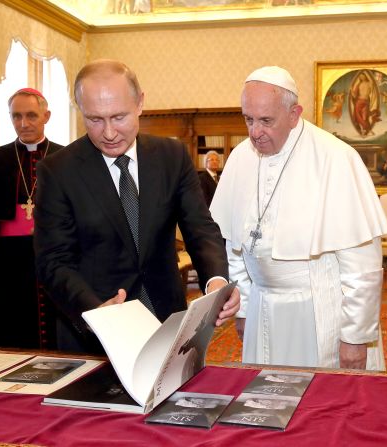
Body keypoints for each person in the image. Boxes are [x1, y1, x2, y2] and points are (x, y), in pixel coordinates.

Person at [33, 59, 239, 354]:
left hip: (166, 321)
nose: (108, 132)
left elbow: (200, 227)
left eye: (118, 117)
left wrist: (216, 280)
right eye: (94, 119)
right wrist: (94, 311)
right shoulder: (58, 170)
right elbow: (52, 259)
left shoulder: (172, 156)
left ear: (140, 103)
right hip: (96, 333)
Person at [210, 66, 387, 370]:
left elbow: (362, 266)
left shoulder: (335, 157)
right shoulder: (241, 158)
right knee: (264, 402)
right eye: (248, 119)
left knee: (324, 407)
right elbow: (236, 247)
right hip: (262, 310)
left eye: (266, 121)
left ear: (295, 114)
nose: (254, 132)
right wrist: (244, 311)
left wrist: (355, 337)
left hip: (320, 312)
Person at [0, 88, 62, 349]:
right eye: (16, 116)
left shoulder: (65, 159)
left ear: (46, 116)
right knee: (10, 335)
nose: (23, 123)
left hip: (56, 257)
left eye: (31, 115)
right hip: (9, 264)